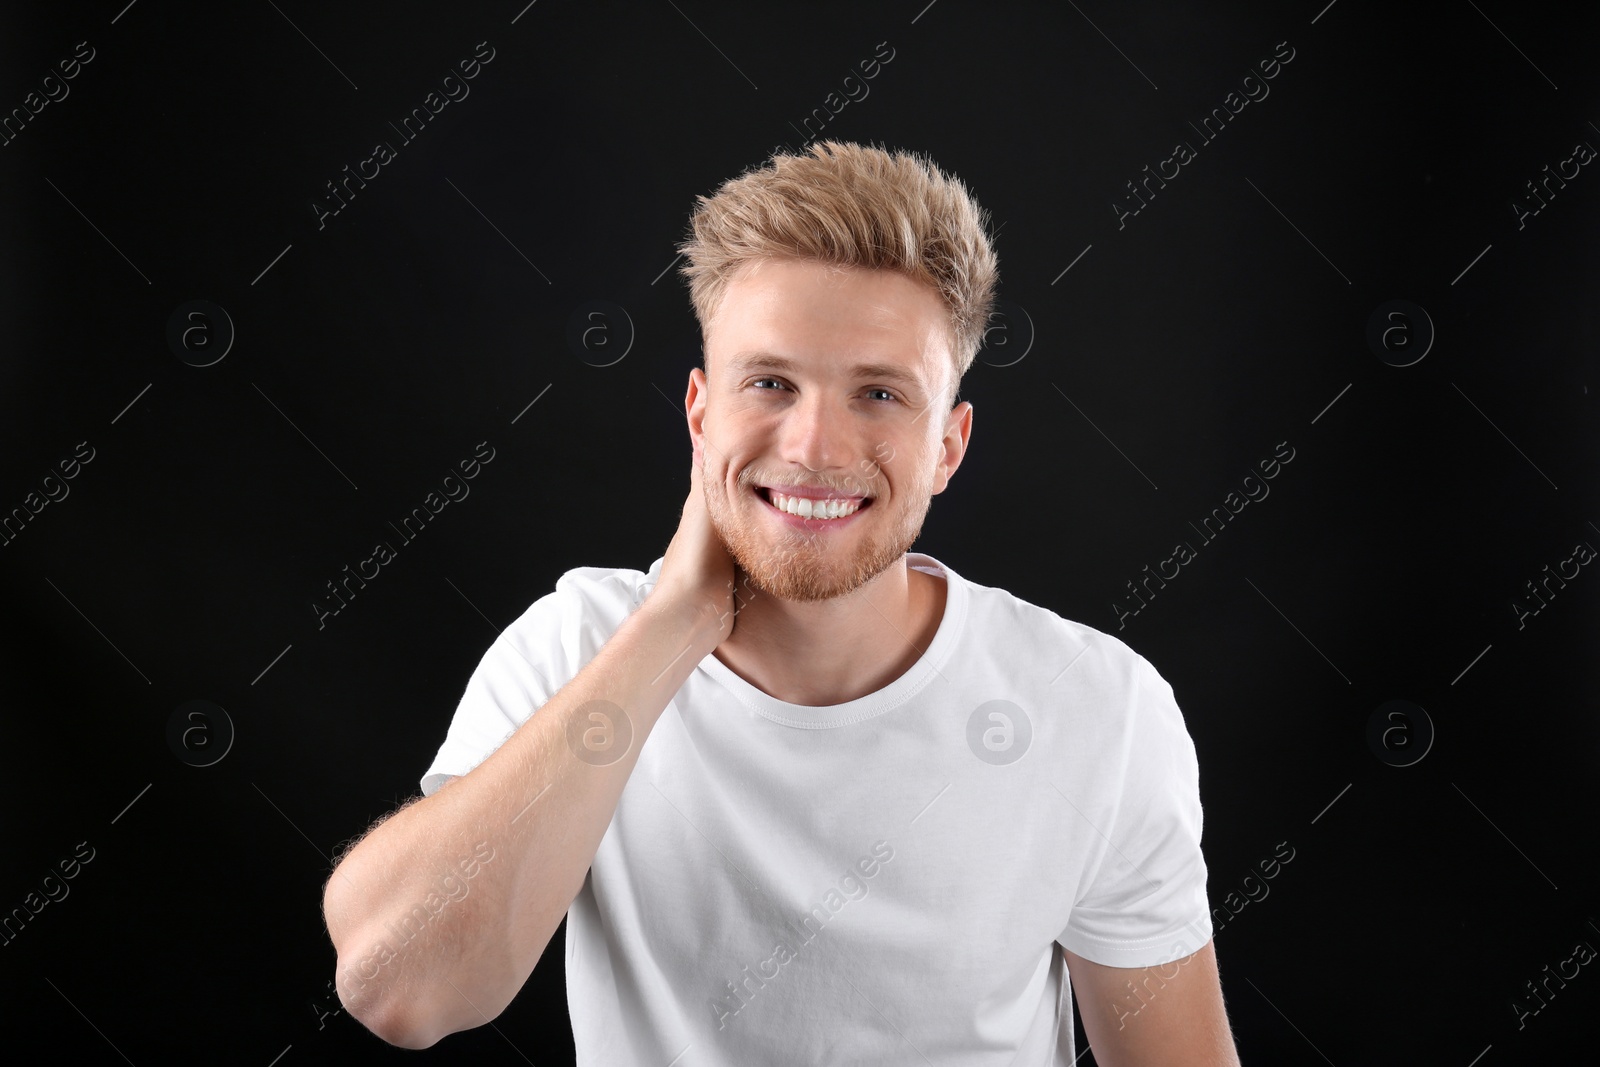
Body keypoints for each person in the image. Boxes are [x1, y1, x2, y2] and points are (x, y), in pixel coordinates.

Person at [322, 140, 1241, 1064]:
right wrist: (675, 622)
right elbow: (398, 989)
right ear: (699, 413)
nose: (812, 445)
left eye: (879, 393)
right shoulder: (577, 648)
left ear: (948, 448)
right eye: (770, 383)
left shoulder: (1096, 706)